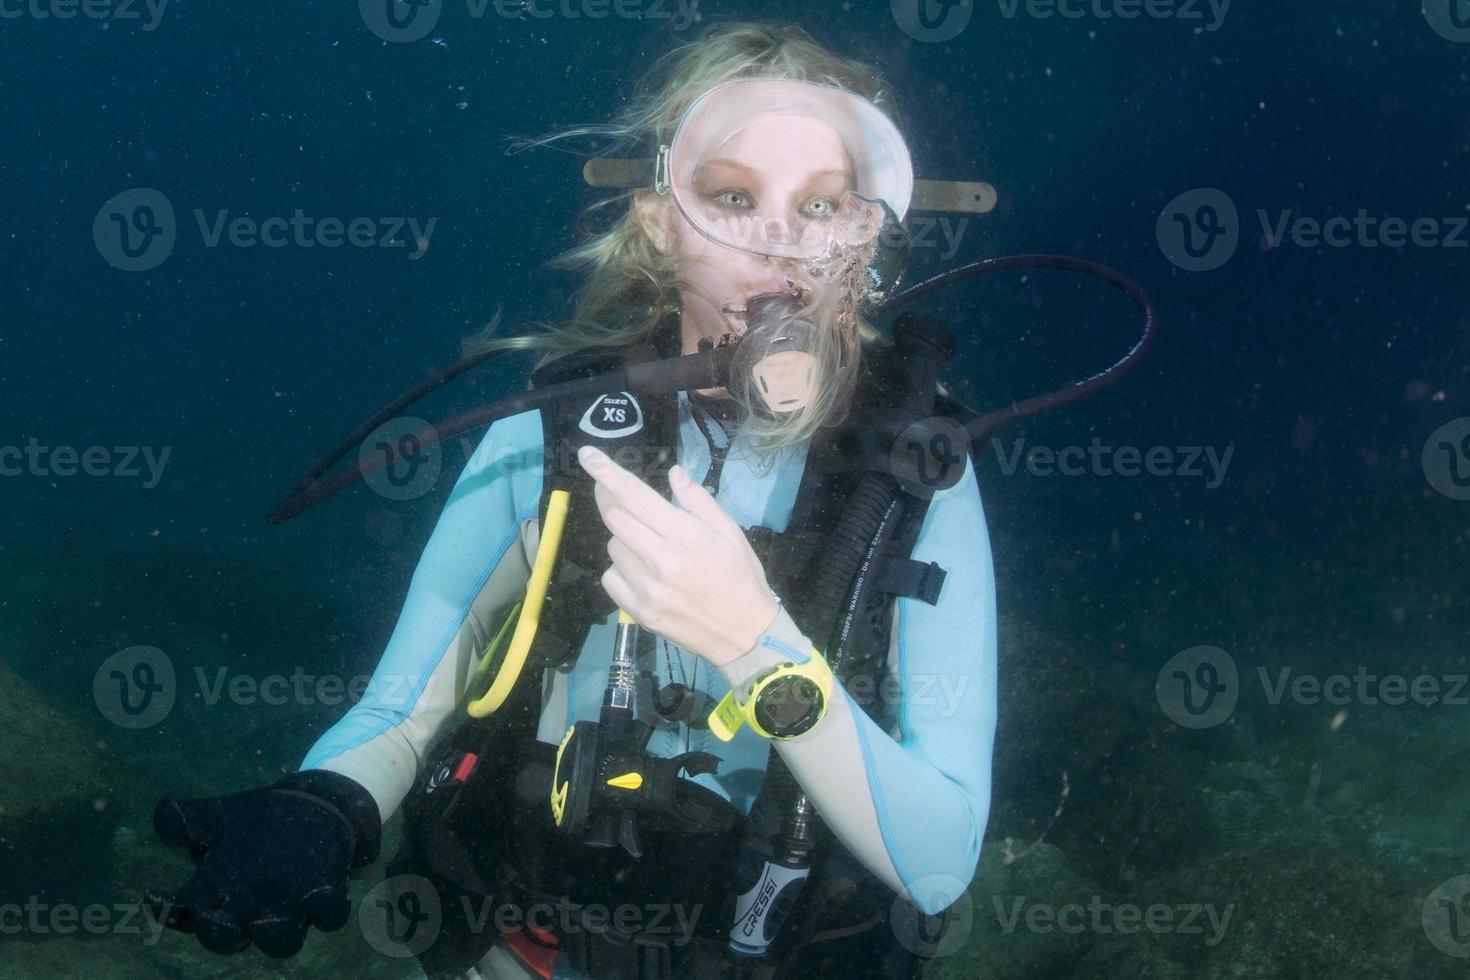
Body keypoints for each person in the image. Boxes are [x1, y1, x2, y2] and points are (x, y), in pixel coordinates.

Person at [145, 22, 999, 980]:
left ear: (869, 234)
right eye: (730, 197)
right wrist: (324, 807)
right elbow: (405, 706)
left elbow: (938, 864)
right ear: (659, 222)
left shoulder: (916, 473)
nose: (779, 248)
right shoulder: (558, 432)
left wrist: (755, 642)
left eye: (823, 205)